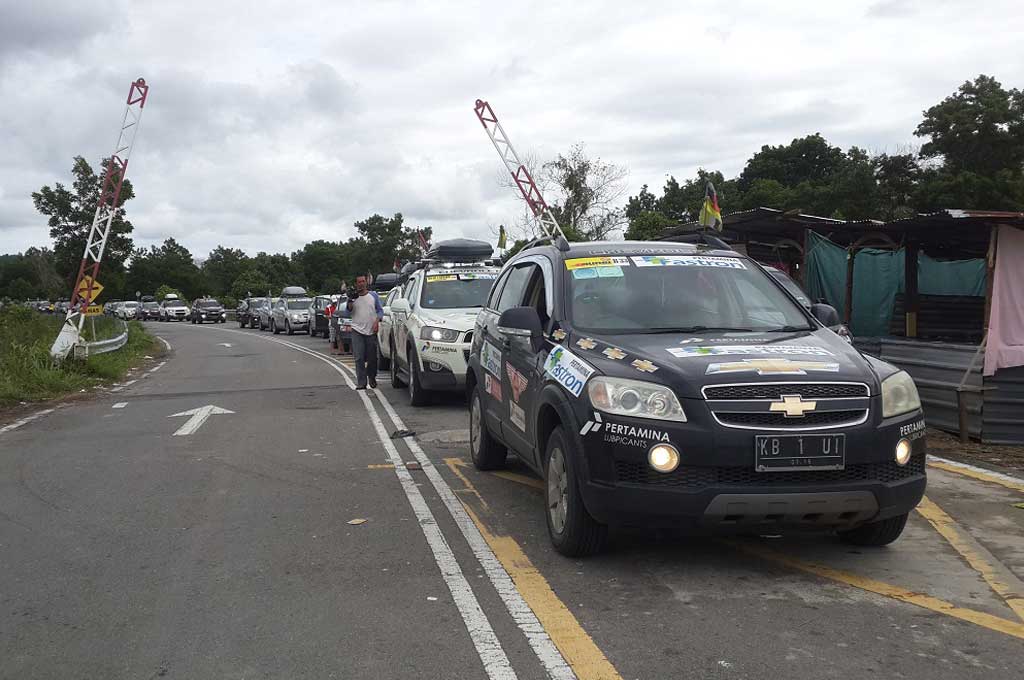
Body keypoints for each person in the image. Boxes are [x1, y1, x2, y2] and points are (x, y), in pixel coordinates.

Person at [346, 274, 384, 389]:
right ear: (356, 284)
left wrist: (377, 321)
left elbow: (380, 311)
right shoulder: (353, 297)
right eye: (359, 282)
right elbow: (348, 312)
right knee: (359, 358)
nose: (361, 284)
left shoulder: (373, 295)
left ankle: (371, 377)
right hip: (357, 330)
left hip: (371, 330)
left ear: (366, 282)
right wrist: (351, 300)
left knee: (372, 359)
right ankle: (361, 382)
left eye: (363, 281)